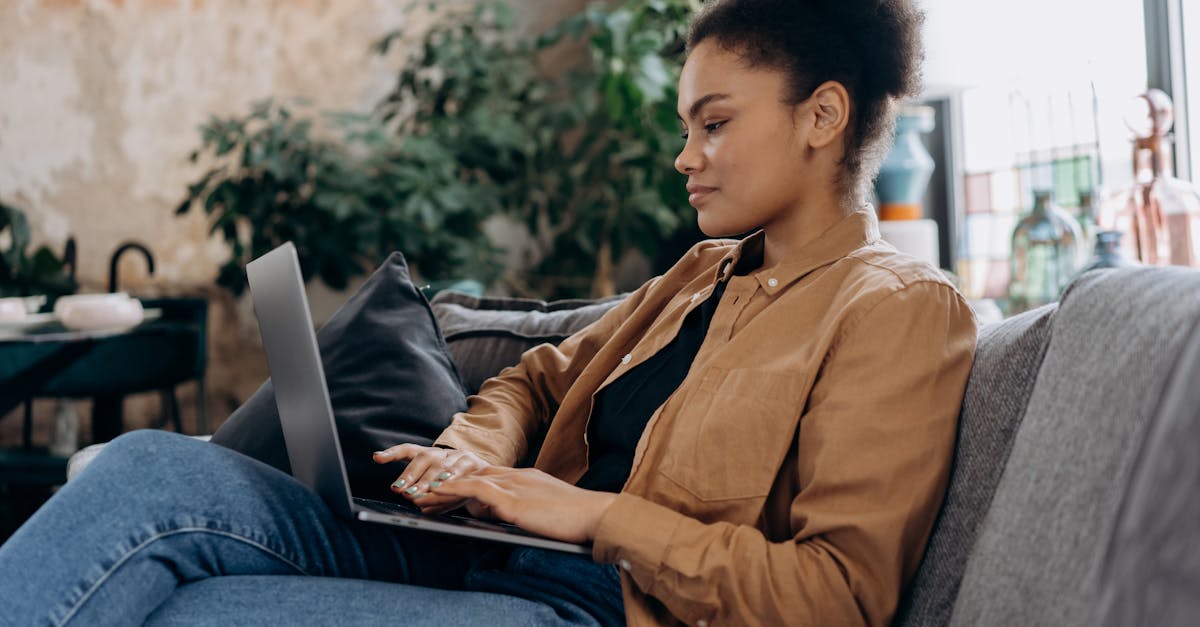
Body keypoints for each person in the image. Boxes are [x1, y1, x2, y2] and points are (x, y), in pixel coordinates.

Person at [0, 0, 976, 624]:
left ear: (822, 115)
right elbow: (536, 374)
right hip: (479, 557)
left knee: (181, 608)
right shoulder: (698, 278)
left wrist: (589, 513)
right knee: (142, 473)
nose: (685, 157)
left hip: (592, 608)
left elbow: (838, 597)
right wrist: (477, 451)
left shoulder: (894, 311)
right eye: (686, 127)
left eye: (713, 122)